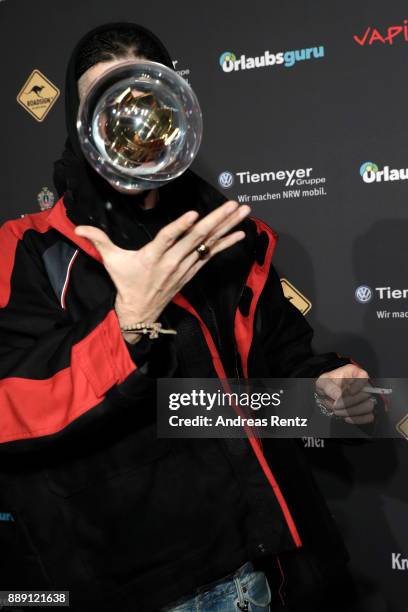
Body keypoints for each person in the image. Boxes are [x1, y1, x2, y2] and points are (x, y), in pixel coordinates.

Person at [0, 22, 379, 612]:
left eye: (142, 101)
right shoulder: (28, 249)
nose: (127, 124)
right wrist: (128, 324)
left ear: (173, 106)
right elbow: (10, 406)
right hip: (151, 589)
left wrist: (327, 389)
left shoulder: (230, 235)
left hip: (275, 567)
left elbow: (280, 361)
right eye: (105, 104)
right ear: (77, 124)